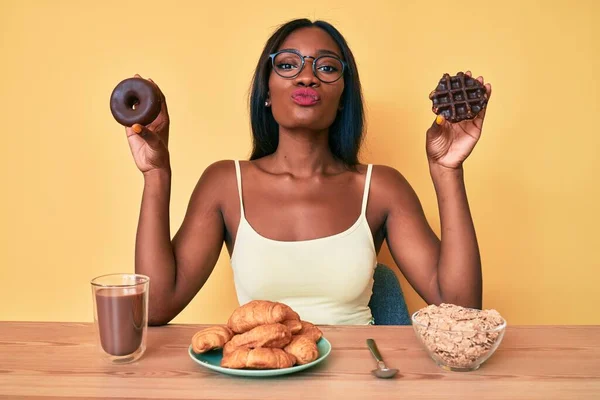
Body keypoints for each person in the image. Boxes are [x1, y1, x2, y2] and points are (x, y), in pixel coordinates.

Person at [124, 18, 492, 326]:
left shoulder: (382, 188)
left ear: (344, 94)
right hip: (260, 379)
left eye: (327, 67)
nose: (306, 77)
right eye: (287, 65)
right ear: (266, 90)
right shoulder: (224, 184)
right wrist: (156, 173)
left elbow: (462, 309)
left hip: (357, 385)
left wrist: (448, 171)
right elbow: (155, 308)